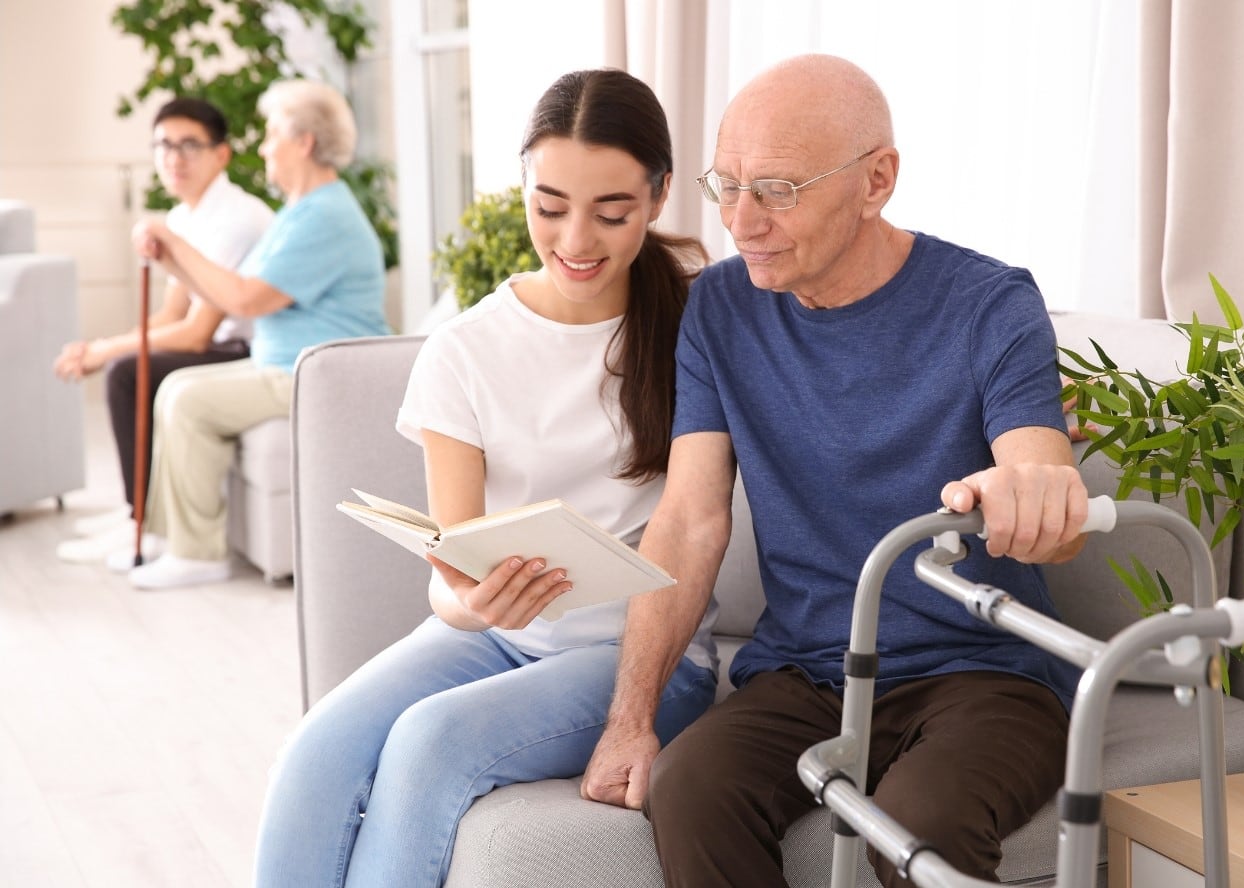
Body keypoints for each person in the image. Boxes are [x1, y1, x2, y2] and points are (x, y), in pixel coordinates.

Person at [580, 54, 1091, 887]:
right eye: (728, 187)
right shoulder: (719, 307)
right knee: (691, 787)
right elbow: (689, 520)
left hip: (983, 676)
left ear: (876, 179)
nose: (741, 223)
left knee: (917, 833)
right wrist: (629, 720)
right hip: (809, 671)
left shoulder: (990, 304)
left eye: (777, 190)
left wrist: (1031, 496)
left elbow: (1040, 475)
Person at [251, 69, 717, 887]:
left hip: (644, 655)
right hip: (500, 637)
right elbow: (450, 571)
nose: (576, 241)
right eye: (549, 207)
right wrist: (469, 600)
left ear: (658, 194)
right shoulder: (464, 351)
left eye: (612, 213)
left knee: (430, 746)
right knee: (314, 754)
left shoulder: (694, 325)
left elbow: (700, 517)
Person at [124, 79, 389, 589]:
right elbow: (229, 293)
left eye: (272, 135)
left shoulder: (326, 217)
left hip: (315, 373)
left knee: (188, 400)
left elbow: (247, 299)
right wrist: (171, 257)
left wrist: (175, 241)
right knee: (176, 387)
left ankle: (198, 554)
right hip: (286, 363)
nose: (264, 147)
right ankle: (168, 538)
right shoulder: (301, 211)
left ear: (304, 142)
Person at [53, 97, 274, 564]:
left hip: (245, 348)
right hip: (215, 342)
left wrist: (106, 353)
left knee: (126, 373)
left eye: (189, 145)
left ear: (222, 154)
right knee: (124, 363)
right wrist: (98, 346)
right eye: (164, 145)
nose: (174, 158)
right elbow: (170, 315)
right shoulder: (182, 217)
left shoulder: (237, 218)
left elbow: (196, 332)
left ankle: (144, 523)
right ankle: (138, 512)